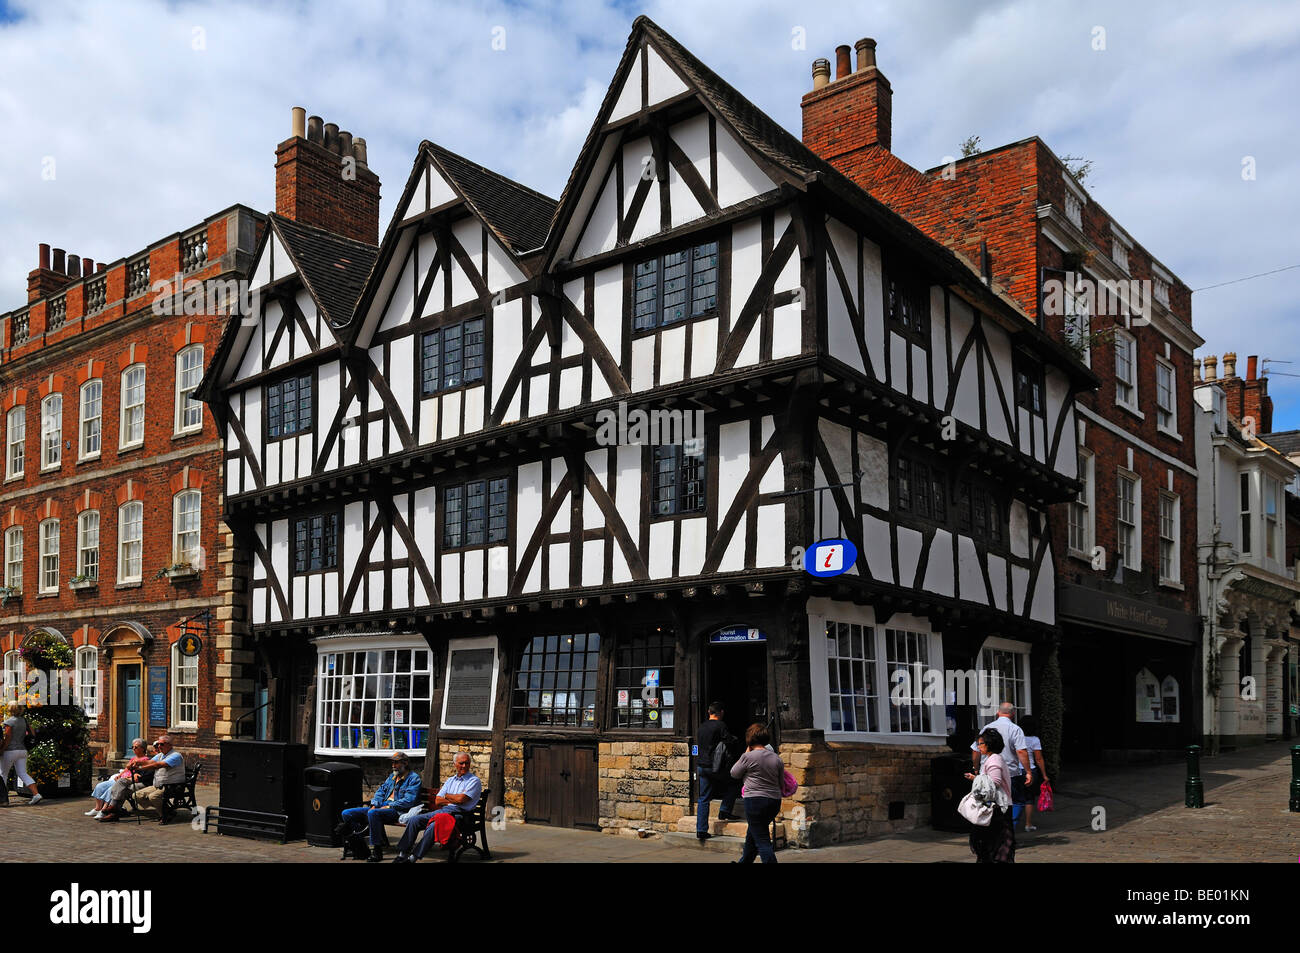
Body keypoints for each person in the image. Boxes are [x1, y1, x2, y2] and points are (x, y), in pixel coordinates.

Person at [392, 750, 482, 863]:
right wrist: (453, 799)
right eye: (461, 763)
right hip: (444, 811)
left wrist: (447, 796)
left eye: (467, 763)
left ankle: (412, 858)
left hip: (461, 816)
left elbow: (461, 800)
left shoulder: (474, 781)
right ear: (455, 764)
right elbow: (438, 800)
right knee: (414, 820)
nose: (464, 766)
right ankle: (402, 853)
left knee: (434, 826)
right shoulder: (450, 780)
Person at [337, 751, 422, 862]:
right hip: (381, 807)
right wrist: (374, 804)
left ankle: (377, 850)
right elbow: (380, 792)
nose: (393, 766)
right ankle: (361, 844)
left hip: (398, 810)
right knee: (347, 813)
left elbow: (408, 801)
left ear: (405, 763)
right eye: (392, 763)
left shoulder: (413, 778)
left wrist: (388, 806)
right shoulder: (392, 776)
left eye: (396, 763)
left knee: (373, 813)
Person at [729, 722, 784, 864]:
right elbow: (781, 783)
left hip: (754, 801)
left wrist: (745, 754)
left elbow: (734, 773)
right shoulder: (776, 758)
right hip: (773, 801)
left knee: (762, 840)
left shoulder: (748, 757)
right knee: (754, 833)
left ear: (750, 740)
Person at [99, 735, 186, 822]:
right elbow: (148, 762)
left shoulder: (175, 756)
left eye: (161, 744)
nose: (159, 747)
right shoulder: (160, 755)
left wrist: (139, 768)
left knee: (152, 797)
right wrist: (136, 762)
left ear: (169, 745)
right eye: (158, 744)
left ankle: (165, 814)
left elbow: (157, 765)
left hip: (172, 786)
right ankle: (114, 811)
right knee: (136, 795)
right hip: (159, 785)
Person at [970, 701, 1030, 824]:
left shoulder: (987, 728)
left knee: (990, 803)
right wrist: (1028, 771)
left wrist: (976, 768)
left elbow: (975, 751)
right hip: (1010, 774)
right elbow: (1021, 752)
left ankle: (994, 830)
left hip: (987, 774)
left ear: (998, 712)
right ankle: (1009, 828)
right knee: (1015, 802)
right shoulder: (1015, 729)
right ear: (1013, 714)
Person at [965, 727, 1015, 863]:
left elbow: (995, 782)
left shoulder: (994, 760)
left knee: (996, 848)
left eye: (981, 744)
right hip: (996, 808)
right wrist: (975, 778)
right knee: (991, 847)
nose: (979, 746)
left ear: (989, 744)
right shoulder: (992, 759)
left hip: (998, 809)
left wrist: (976, 779)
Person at [695, 701, 740, 841]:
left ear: (709, 712)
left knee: (703, 798)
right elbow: (729, 741)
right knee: (734, 783)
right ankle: (725, 809)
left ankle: (701, 830)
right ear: (721, 712)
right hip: (715, 766)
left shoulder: (701, 727)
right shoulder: (721, 725)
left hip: (701, 766)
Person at [86, 739, 152, 817]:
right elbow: (126, 769)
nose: (133, 749)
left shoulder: (146, 761)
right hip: (121, 779)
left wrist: (127, 778)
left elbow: (137, 776)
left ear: (143, 748)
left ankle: (105, 810)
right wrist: (120, 774)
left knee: (111, 789)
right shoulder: (133, 759)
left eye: (136, 747)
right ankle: (97, 808)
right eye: (132, 747)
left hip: (126, 781)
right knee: (100, 786)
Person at [2, 705, 42, 806]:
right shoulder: (24, 720)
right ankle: (36, 794)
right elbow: (33, 733)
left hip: (10, 751)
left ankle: (3, 798)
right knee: (23, 773)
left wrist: (2, 749)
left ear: (10, 710)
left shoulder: (9, 722)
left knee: (3, 774)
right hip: (22, 750)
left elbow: (7, 738)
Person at [1019, 715, 1050, 832]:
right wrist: (1044, 775)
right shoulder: (1035, 740)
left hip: (1015, 771)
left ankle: (1013, 821)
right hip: (1030, 771)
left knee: (1014, 798)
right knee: (1029, 798)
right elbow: (1039, 759)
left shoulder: (1016, 738)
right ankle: (1028, 824)